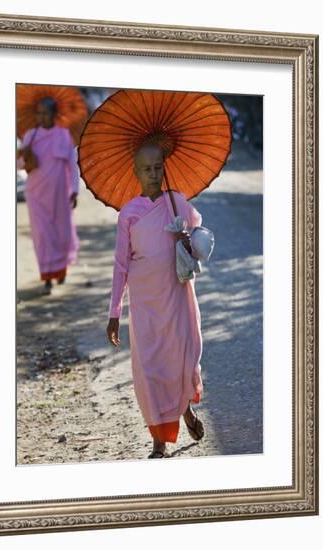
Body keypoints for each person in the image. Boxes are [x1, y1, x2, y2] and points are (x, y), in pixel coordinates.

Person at [106, 142, 205, 459]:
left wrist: (187, 240)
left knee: (175, 360)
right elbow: (121, 264)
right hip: (144, 301)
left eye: (158, 167)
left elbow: (201, 238)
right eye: (146, 169)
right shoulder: (129, 214)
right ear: (135, 172)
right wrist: (114, 312)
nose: (153, 174)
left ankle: (184, 409)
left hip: (174, 295)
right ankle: (159, 441)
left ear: (164, 167)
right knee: (149, 368)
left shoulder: (177, 203)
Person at [17, 97, 80, 294]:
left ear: (54, 115)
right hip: (36, 194)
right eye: (39, 113)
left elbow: (72, 165)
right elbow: (20, 166)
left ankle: (61, 270)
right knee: (42, 236)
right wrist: (22, 154)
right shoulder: (30, 136)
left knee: (61, 234)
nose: (42, 117)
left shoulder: (63, 135)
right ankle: (46, 276)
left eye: (46, 113)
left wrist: (75, 190)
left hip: (60, 195)